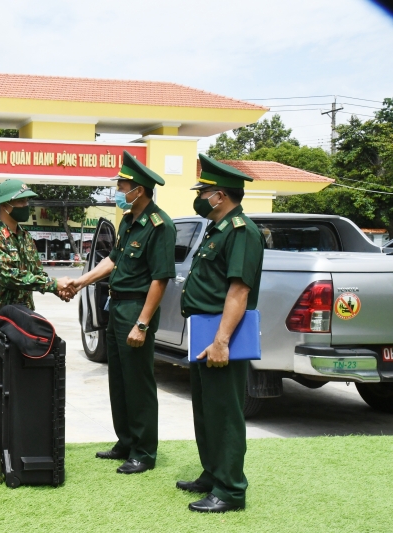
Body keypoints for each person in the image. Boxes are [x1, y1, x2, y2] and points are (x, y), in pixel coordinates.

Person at [71, 151, 175, 475]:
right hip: (116, 305)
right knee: (118, 379)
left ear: (139, 189)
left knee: (138, 382)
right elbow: (112, 260)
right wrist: (81, 281)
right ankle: (126, 441)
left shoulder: (160, 225)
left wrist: (142, 324)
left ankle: (144, 451)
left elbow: (160, 280)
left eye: (122, 184)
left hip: (136, 308)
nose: (118, 189)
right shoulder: (129, 220)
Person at [176, 155, 264, 513]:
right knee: (206, 409)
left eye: (204, 191)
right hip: (204, 330)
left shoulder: (242, 231)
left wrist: (222, 341)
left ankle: (229, 490)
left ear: (221, 196)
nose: (199, 196)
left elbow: (238, 291)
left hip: (221, 334)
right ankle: (212, 473)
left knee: (225, 412)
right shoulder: (218, 228)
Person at [0, 179, 75, 430]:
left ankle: (15, 458)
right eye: (21, 201)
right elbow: (9, 276)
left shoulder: (25, 237)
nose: (26, 205)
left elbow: (35, 275)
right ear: (6, 205)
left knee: (18, 393)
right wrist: (54, 286)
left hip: (22, 327)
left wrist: (58, 289)